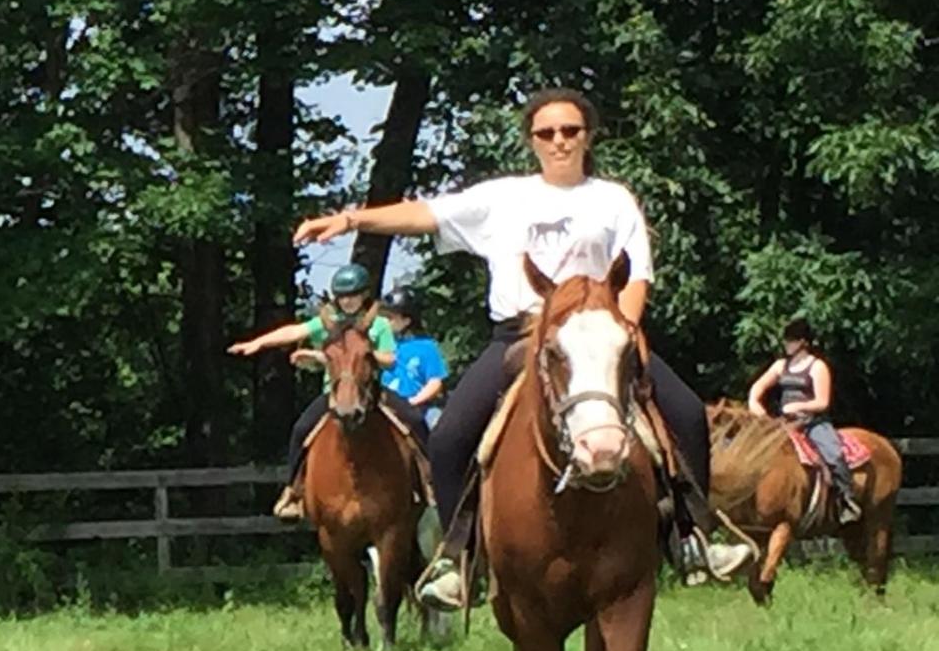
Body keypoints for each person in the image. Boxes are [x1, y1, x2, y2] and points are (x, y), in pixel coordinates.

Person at [293, 87, 751, 607]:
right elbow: (425, 214)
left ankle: (695, 537)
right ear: (531, 140)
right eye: (547, 133)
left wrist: (623, 335)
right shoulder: (503, 197)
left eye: (571, 131)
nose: (559, 141)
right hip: (519, 335)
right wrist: (352, 219)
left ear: (588, 137)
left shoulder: (613, 199)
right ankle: (459, 558)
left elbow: (636, 277)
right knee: (448, 441)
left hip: (599, 336)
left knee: (687, 412)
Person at [229, 264, 417, 521]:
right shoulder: (328, 324)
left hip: (370, 393)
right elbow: (294, 331)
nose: (348, 301)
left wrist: (368, 354)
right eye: (342, 296)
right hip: (334, 393)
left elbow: (390, 359)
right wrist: (258, 342)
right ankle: (293, 492)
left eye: (353, 294)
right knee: (300, 430)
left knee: (415, 420)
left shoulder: (379, 325)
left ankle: (429, 483)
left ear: (364, 295)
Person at [748, 318, 858, 523]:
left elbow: (822, 402)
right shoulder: (781, 366)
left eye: (792, 340)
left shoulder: (817, 367)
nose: (787, 345)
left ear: (803, 342)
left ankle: (847, 499)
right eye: (787, 340)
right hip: (786, 423)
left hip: (813, 422)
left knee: (833, 453)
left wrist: (798, 406)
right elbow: (758, 387)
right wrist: (756, 405)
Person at [380, 290, 450, 429]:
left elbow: (434, 382)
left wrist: (413, 401)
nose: (385, 322)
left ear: (407, 321)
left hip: (418, 407)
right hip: (386, 407)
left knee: (439, 429)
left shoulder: (426, 347)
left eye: (390, 318)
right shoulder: (385, 346)